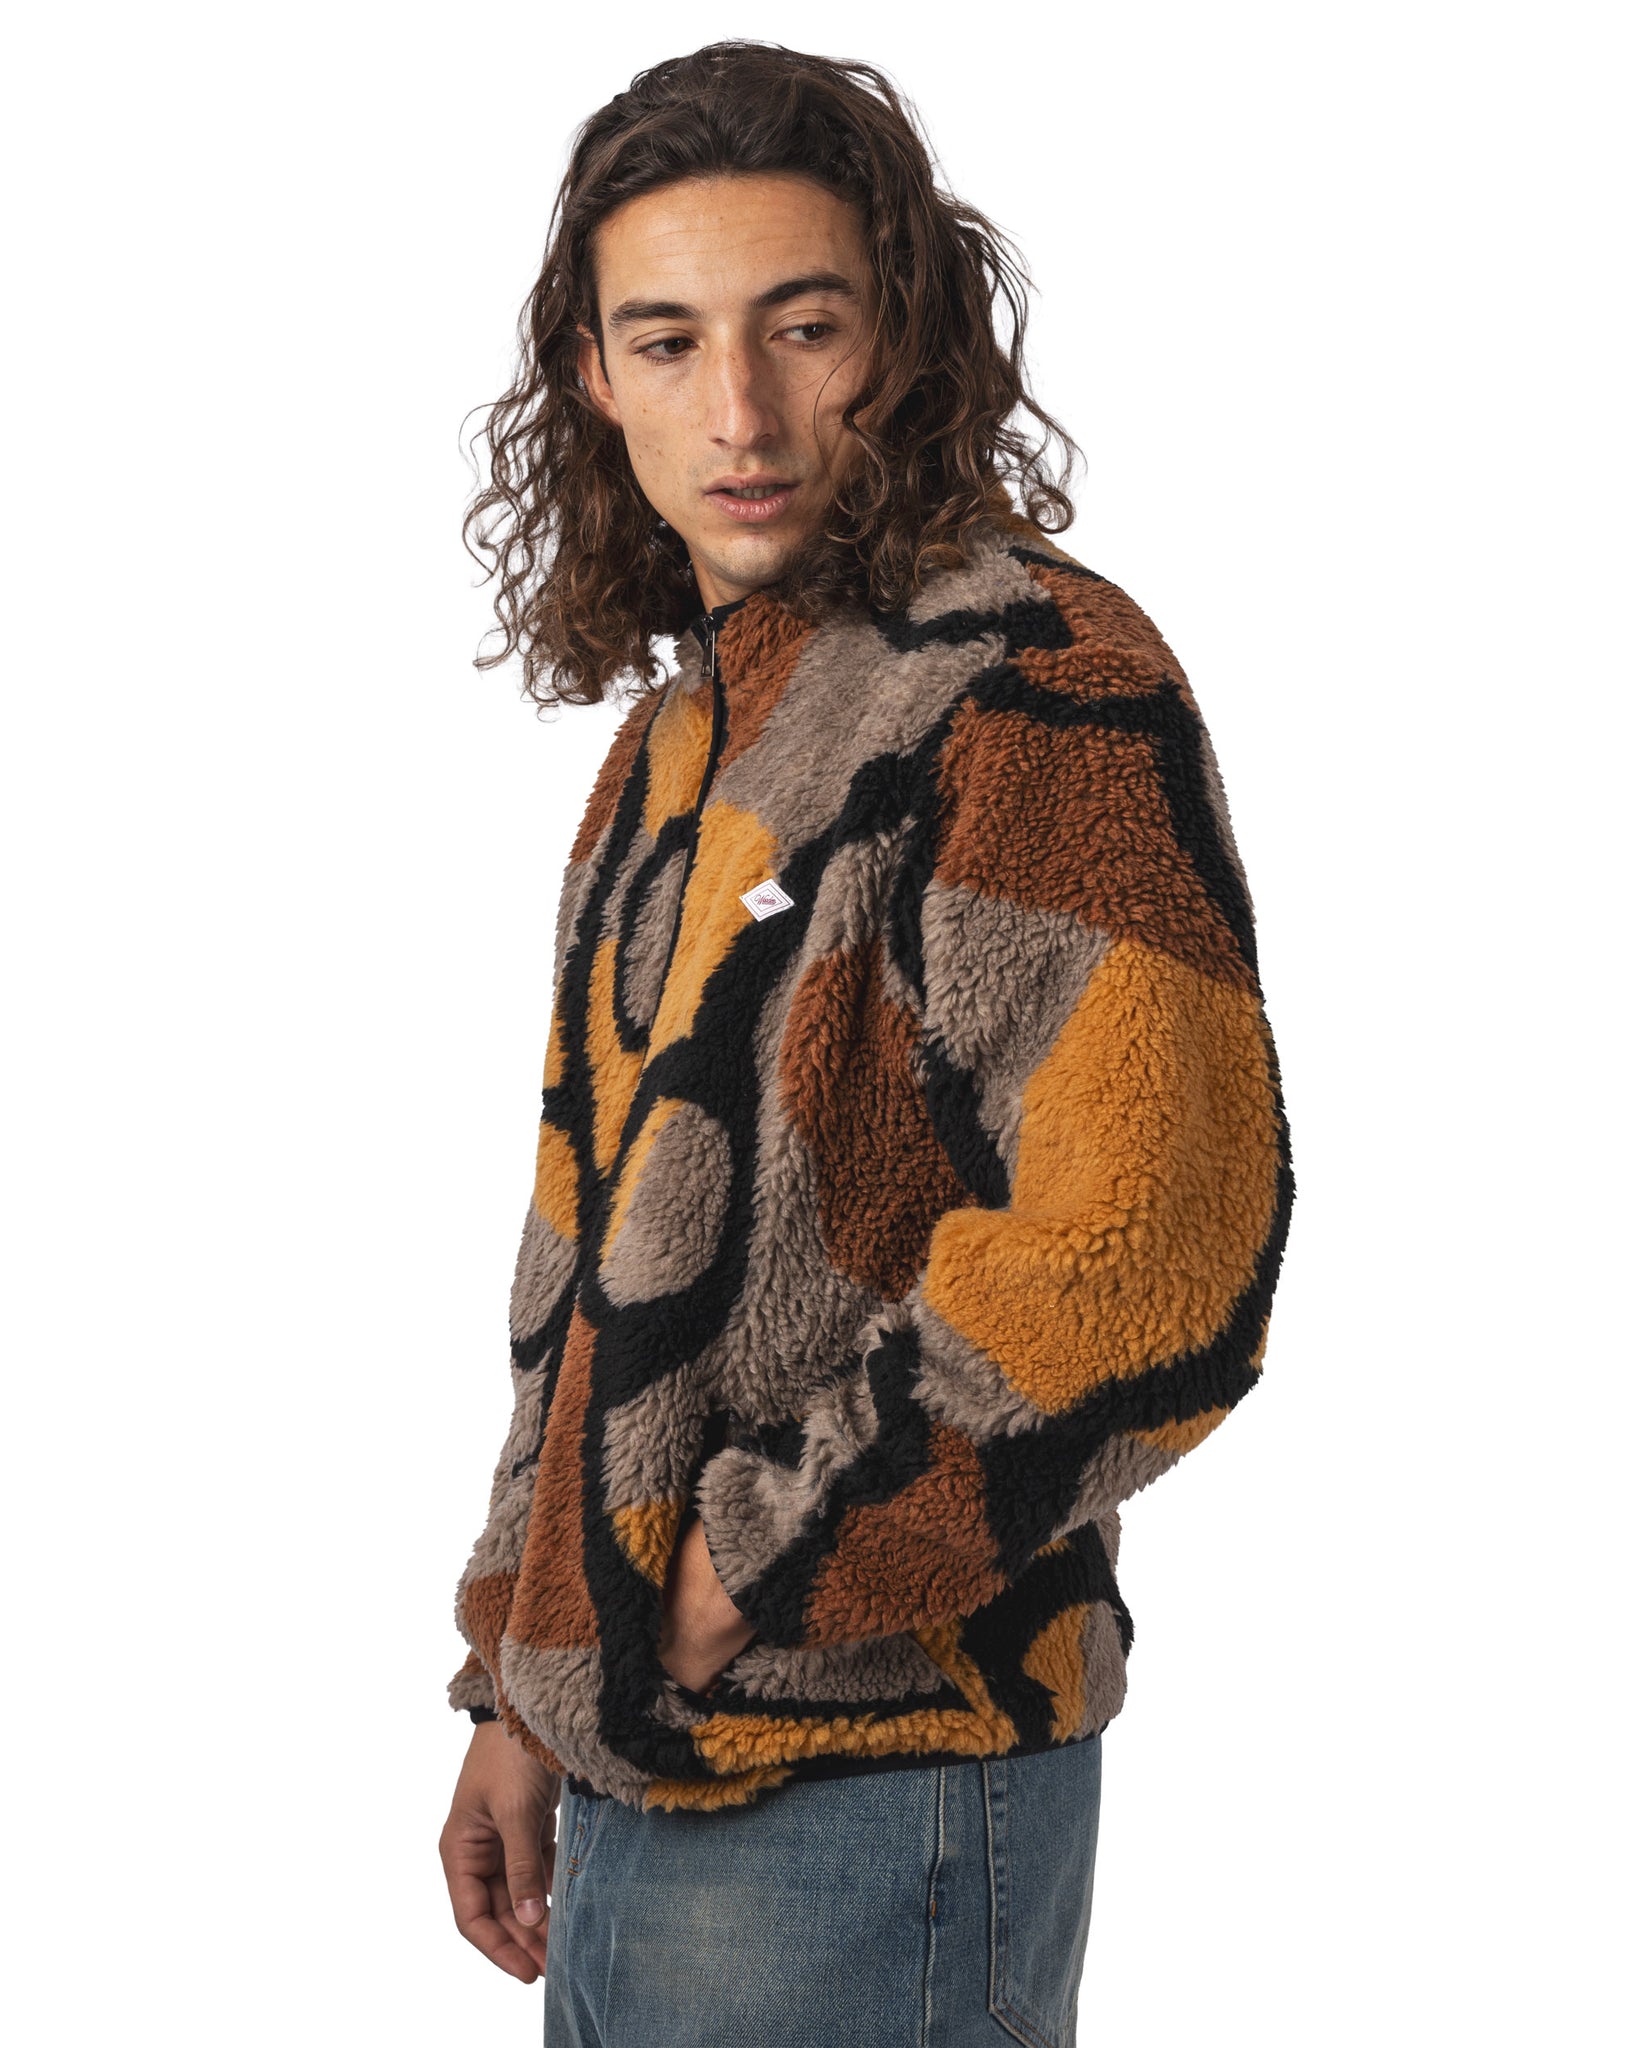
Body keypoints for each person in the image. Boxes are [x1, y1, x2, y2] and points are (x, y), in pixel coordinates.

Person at [437, 40, 1293, 2048]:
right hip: (640, 1766)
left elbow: (1156, 1260)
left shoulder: (1036, 685)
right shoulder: (686, 736)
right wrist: (523, 1681)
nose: (739, 414)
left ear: (899, 337)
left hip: (878, 1773)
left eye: (802, 327)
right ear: (593, 375)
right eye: (670, 340)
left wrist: (743, 1574)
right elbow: (595, 1264)